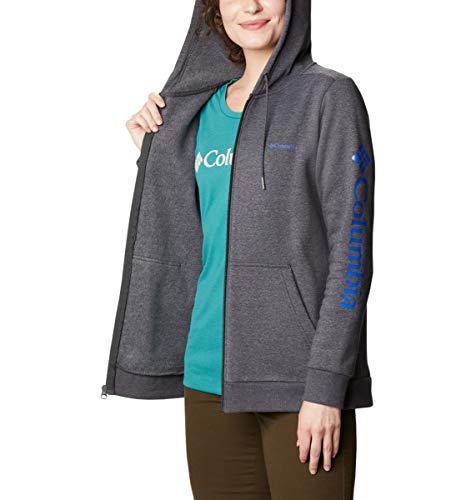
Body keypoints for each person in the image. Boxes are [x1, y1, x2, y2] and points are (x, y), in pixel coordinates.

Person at [103, 0, 375, 498]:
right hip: (208, 378)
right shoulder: (197, 112)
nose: (250, 6)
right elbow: (190, 234)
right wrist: (155, 156)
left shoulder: (328, 97)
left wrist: (326, 384)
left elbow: (351, 251)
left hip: (300, 384)